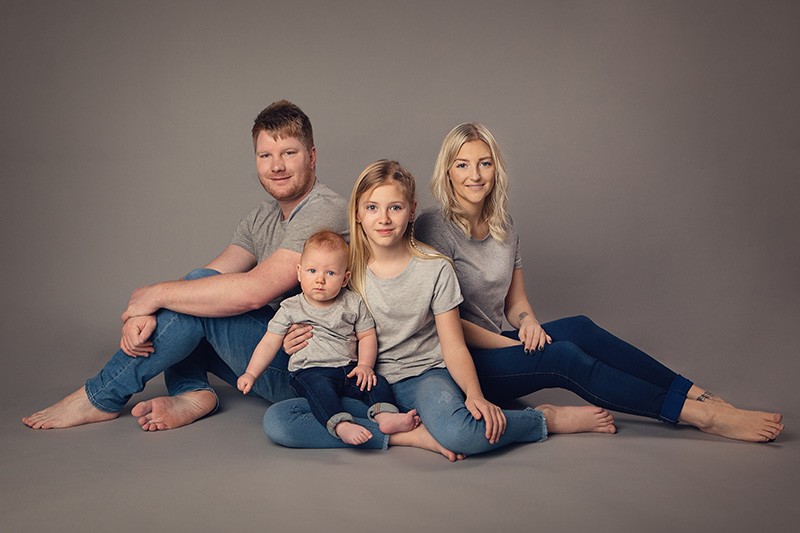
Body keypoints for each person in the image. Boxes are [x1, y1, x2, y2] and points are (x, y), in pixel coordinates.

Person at [409, 122, 783, 443]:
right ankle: (697, 415)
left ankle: (698, 395)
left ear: (496, 170)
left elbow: (516, 304)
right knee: (562, 356)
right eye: (463, 165)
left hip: (499, 348)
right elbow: (447, 323)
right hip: (460, 364)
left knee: (580, 328)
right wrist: (523, 345)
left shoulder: (504, 228)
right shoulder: (433, 228)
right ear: (448, 172)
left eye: (484, 163)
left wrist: (529, 325)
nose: (475, 175)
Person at [22, 100, 350, 431]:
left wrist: (154, 295)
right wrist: (144, 311)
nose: (276, 166)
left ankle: (100, 396)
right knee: (194, 294)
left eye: (289, 153)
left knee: (192, 294)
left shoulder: (325, 210)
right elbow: (213, 275)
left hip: (307, 370)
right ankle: (192, 393)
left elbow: (255, 291)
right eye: (265, 156)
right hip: (268, 352)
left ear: (311, 156)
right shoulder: (261, 217)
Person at [264, 160, 617, 461]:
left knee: (462, 434)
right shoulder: (344, 268)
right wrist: (292, 338)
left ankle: (543, 420)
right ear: (357, 212)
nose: (383, 218)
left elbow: (453, 345)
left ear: (412, 210)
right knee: (280, 420)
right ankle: (408, 435)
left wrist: (475, 395)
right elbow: (311, 305)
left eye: (395, 207)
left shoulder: (435, 268)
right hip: (367, 383)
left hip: (424, 377)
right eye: (372, 207)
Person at [238, 230, 419, 445]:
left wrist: (365, 366)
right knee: (320, 390)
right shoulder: (291, 308)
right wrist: (251, 373)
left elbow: (367, 336)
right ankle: (341, 425)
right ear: (299, 273)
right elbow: (269, 341)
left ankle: (385, 415)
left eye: (331, 273)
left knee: (376, 382)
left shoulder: (353, 302)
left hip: (348, 369)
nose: (320, 280)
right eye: (312, 271)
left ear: (345, 278)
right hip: (311, 371)